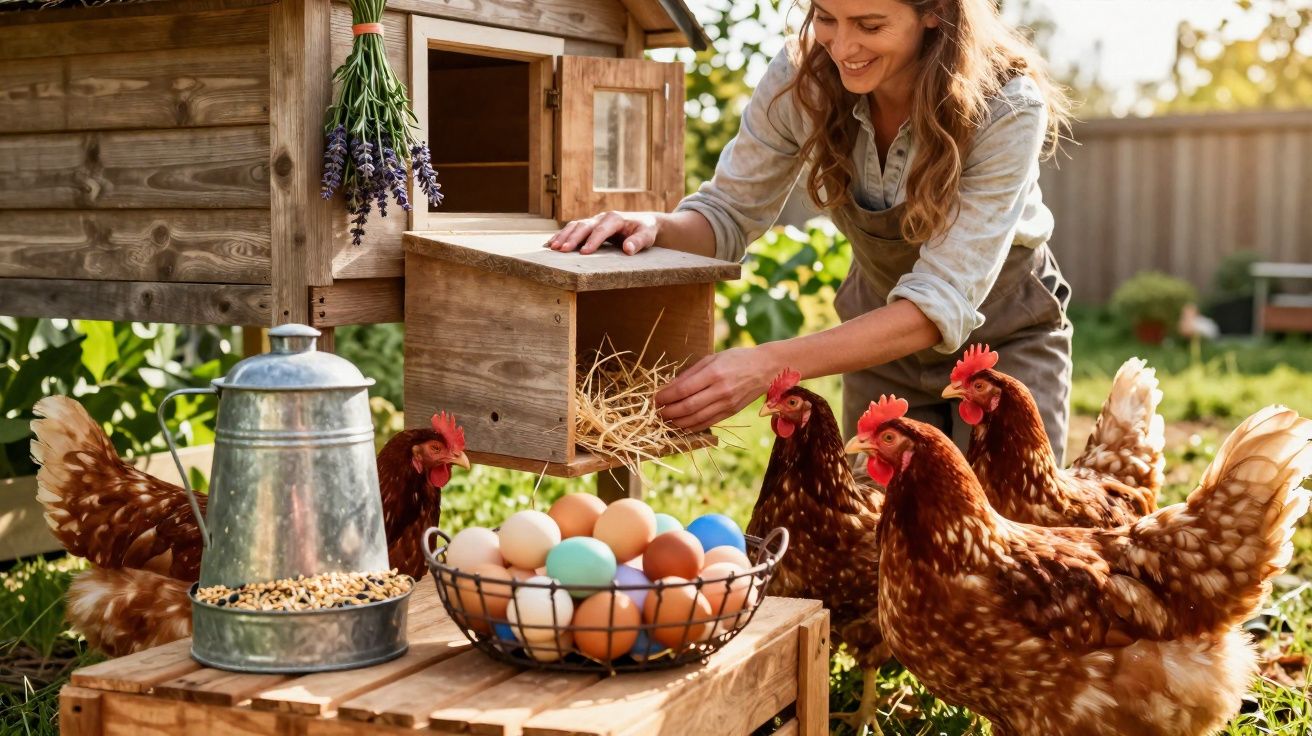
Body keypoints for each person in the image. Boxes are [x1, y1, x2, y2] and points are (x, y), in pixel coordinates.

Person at [548, 0, 1075, 460]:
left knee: (1005, 549)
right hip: (877, 342)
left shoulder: (1004, 105)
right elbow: (728, 214)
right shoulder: (803, 78)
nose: (842, 46)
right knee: (875, 544)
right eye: (825, 17)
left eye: (869, 25)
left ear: (935, 12)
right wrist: (654, 227)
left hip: (1003, 340)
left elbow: (940, 301)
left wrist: (768, 363)